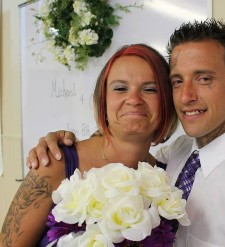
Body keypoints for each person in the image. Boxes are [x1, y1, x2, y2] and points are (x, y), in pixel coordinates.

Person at [24, 19, 225, 246]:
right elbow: (126, 146)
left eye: (204, 79)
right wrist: (64, 142)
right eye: (177, 81)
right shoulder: (177, 152)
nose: (187, 96)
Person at [0, 43, 177, 247]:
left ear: (166, 103)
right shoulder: (56, 161)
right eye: (120, 88)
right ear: (103, 102)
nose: (134, 99)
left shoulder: (168, 180)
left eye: (150, 89)